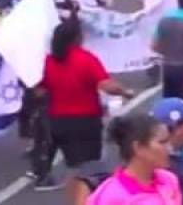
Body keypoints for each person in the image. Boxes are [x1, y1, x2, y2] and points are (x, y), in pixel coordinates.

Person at [33, 19, 133, 191]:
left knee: (73, 166)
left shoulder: (49, 61)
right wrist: (125, 92)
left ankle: (75, 199)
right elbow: (106, 86)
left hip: (58, 121)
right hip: (85, 122)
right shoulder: (86, 59)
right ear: (77, 37)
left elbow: (39, 91)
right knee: (91, 168)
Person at [85, 114, 183, 204]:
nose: (170, 148)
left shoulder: (168, 179)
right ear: (138, 148)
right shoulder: (110, 196)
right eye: (162, 142)